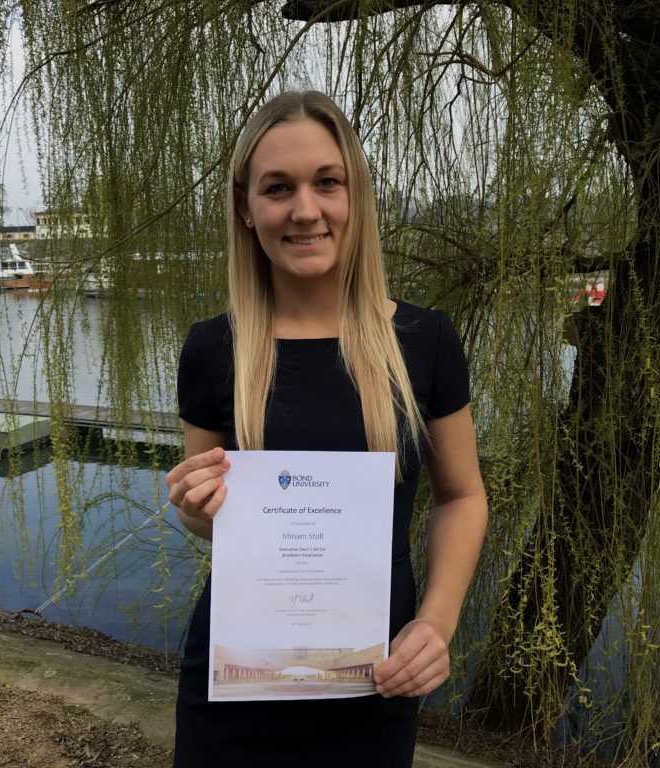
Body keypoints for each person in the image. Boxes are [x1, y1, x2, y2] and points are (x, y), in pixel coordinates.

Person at [165, 90, 488, 767]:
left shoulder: (424, 340)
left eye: (327, 182)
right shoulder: (211, 349)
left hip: (374, 681)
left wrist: (437, 622)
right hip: (235, 683)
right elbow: (208, 520)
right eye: (277, 188)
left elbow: (462, 496)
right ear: (245, 208)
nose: (305, 210)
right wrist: (195, 506)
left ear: (356, 197)